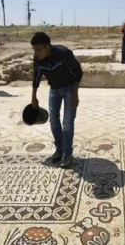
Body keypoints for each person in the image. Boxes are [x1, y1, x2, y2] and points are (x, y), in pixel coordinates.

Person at [30, 32, 83, 168]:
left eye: (39, 49)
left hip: (69, 89)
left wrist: (75, 94)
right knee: (53, 120)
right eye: (34, 50)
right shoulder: (38, 59)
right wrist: (33, 97)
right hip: (54, 89)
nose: (36, 53)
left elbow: (78, 72)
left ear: (48, 47)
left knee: (68, 122)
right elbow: (36, 77)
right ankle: (59, 150)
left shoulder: (63, 53)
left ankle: (67, 154)